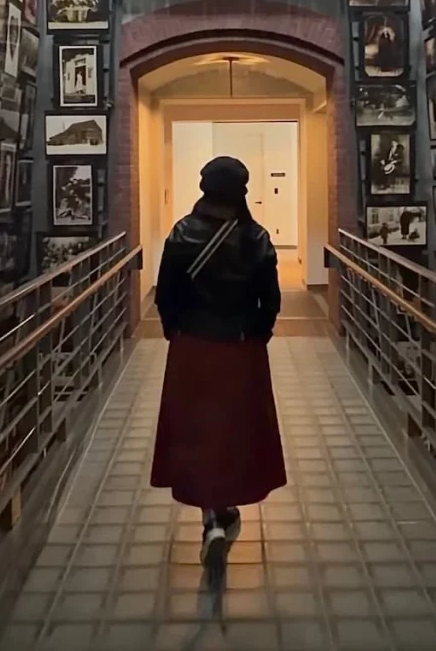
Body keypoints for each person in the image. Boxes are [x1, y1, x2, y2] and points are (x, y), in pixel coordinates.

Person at [151, 157, 286, 578]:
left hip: (192, 347)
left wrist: (177, 331)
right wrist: (257, 334)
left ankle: (211, 518)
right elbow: (271, 300)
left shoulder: (181, 233)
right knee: (235, 432)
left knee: (198, 432)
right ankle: (224, 511)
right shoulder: (257, 238)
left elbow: (165, 295)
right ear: (241, 191)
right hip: (240, 348)